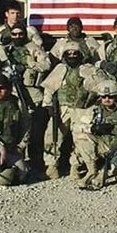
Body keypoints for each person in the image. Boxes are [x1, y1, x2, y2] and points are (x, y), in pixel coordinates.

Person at [0, 20, 51, 173]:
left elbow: (46, 65)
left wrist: (28, 65)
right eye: (14, 34)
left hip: (32, 94)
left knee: (35, 130)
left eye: (20, 34)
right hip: (13, 94)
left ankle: (36, 161)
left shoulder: (33, 48)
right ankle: (15, 159)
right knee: (15, 127)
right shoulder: (5, 50)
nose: (17, 37)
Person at [40, 41, 107, 179]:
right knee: (52, 136)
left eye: (75, 53)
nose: (72, 56)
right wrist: (48, 105)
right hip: (62, 109)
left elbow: (102, 87)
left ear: (81, 54)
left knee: (81, 138)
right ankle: (52, 166)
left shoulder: (89, 69)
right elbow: (49, 88)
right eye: (68, 53)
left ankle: (76, 166)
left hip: (82, 110)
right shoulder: (60, 69)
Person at [72, 80, 117, 189]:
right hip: (103, 145)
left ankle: (107, 171)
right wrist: (93, 128)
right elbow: (76, 127)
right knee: (81, 136)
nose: (107, 99)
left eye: (110, 97)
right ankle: (92, 170)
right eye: (104, 97)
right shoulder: (95, 110)